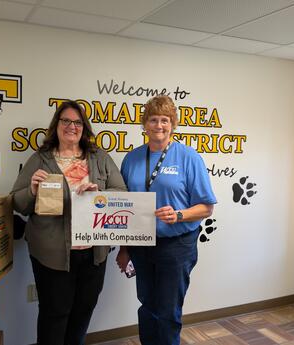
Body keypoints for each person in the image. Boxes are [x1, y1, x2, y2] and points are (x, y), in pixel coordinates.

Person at [11, 100, 127, 345]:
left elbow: (121, 193)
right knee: (54, 314)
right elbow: (18, 204)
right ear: (57, 125)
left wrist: (100, 196)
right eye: (66, 121)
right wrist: (32, 189)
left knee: (83, 311)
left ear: (84, 127)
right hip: (52, 256)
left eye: (77, 122)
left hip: (94, 254)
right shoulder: (40, 159)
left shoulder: (99, 157)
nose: (71, 126)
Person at [116, 95, 216, 345]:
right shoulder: (132, 158)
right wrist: (124, 249)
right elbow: (123, 207)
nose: (158, 125)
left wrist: (179, 215)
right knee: (147, 305)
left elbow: (206, 207)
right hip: (141, 244)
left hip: (176, 246)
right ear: (144, 124)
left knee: (168, 310)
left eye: (164, 120)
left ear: (172, 124)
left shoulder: (189, 157)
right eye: (153, 119)